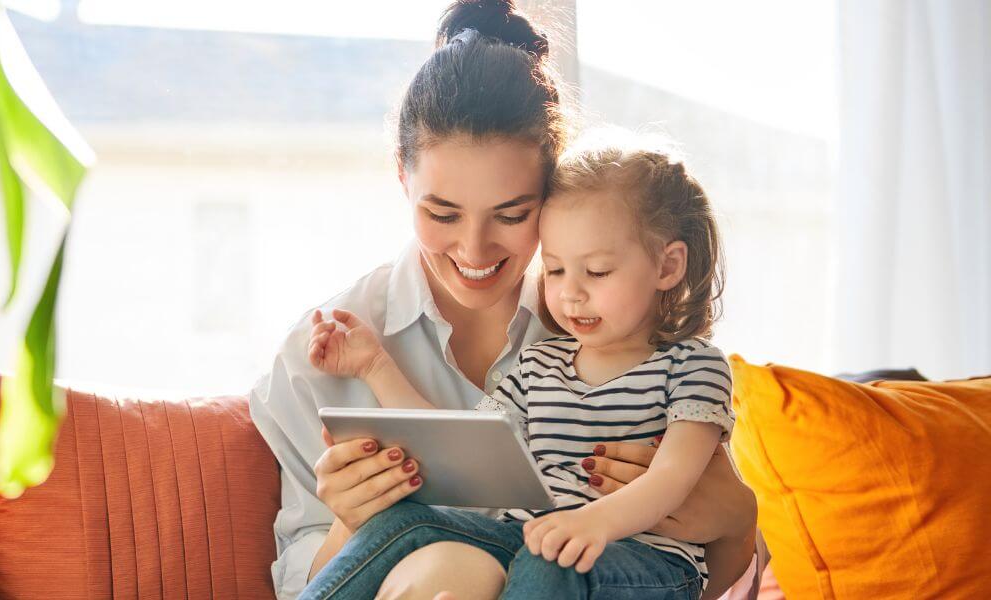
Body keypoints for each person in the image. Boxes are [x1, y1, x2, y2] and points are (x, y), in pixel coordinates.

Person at [247, 2, 757, 598]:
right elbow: (301, 578)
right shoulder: (321, 355)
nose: (474, 247)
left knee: (506, 566)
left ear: (553, 192)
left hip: (600, 569)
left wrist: (736, 521)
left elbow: (709, 574)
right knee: (446, 567)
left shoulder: (616, 327)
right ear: (402, 178)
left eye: (513, 214)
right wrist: (352, 519)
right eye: (442, 213)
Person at [304, 133, 734, 598]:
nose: (571, 292)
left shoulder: (694, 367)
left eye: (597, 271)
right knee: (405, 522)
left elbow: (673, 477)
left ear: (667, 267)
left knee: (548, 557)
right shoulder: (538, 365)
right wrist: (375, 367)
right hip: (539, 543)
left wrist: (590, 523)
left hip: (651, 563)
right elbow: (461, 443)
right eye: (554, 269)